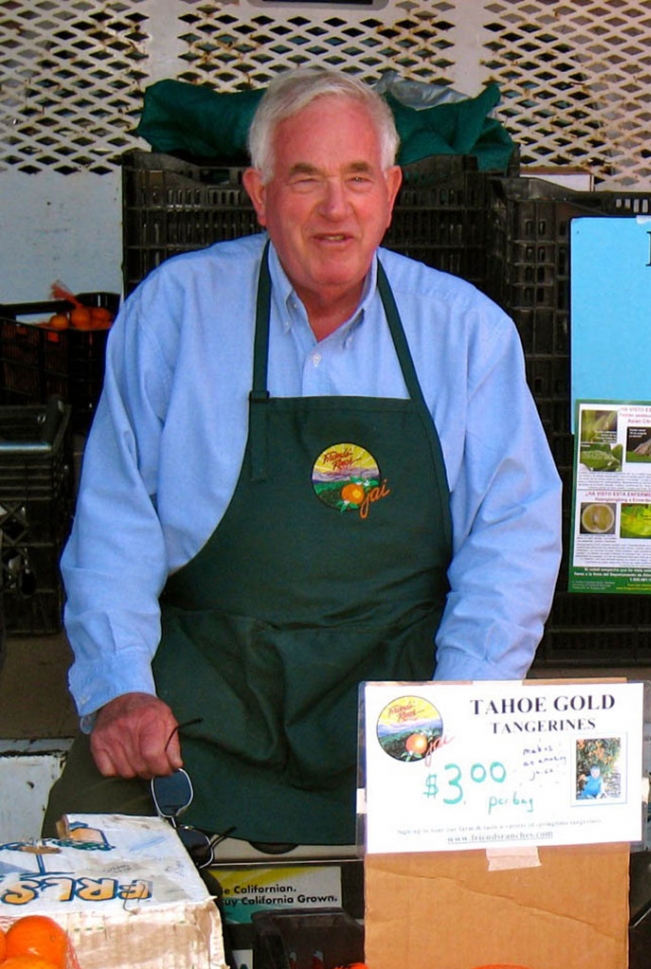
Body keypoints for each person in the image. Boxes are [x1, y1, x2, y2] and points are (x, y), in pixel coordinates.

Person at [42, 67, 561, 848]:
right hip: (211, 705)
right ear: (258, 193)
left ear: (392, 191)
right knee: (86, 855)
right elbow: (116, 524)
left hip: (395, 705)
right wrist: (120, 690)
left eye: (358, 179)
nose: (334, 209)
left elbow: (512, 540)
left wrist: (461, 711)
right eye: (305, 179)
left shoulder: (466, 334)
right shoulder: (174, 312)